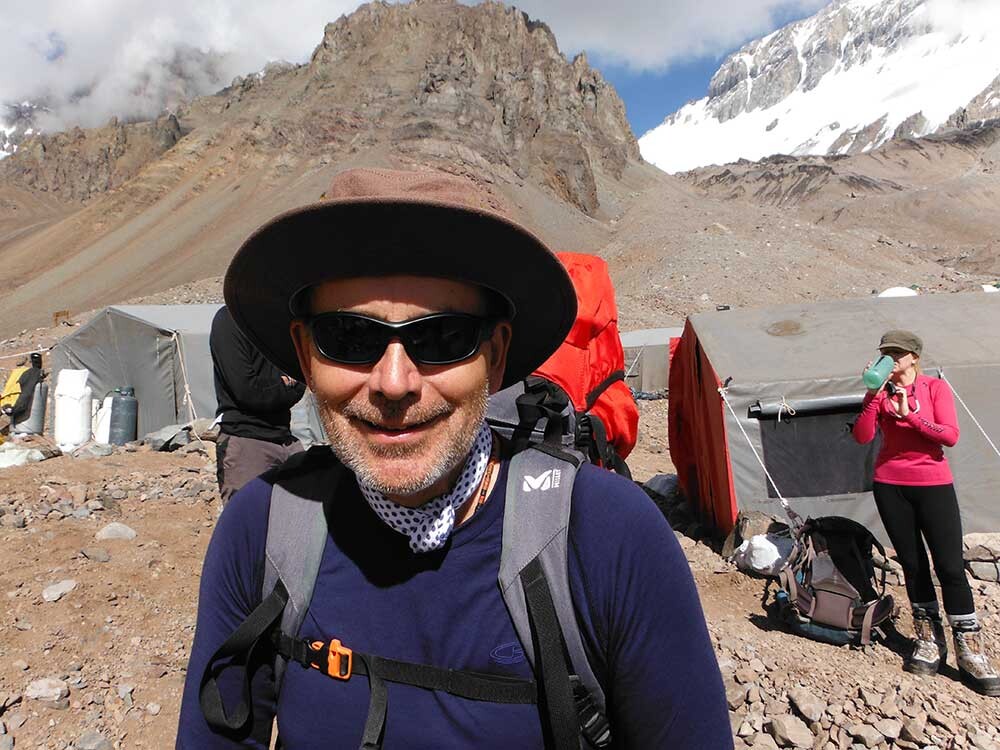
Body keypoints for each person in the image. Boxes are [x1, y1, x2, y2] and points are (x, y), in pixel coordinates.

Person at [177, 168, 731, 748]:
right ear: (304, 354)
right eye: (348, 338)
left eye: (442, 339)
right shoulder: (263, 530)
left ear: (496, 356)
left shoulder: (609, 539)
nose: (394, 383)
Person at [853, 330, 999, 696]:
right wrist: (873, 395)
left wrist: (911, 416)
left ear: (914, 357)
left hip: (934, 484)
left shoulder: (934, 388)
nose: (891, 359)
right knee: (913, 564)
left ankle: (971, 650)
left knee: (949, 567)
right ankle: (929, 639)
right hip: (890, 485)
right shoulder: (880, 392)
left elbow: (949, 436)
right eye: (886, 353)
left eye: (897, 354)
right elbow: (862, 436)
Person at [210, 305, 306, 503]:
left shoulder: (278, 323)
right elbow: (248, 391)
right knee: (249, 517)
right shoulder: (229, 320)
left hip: (284, 439)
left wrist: (287, 384)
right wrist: (285, 385)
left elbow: (301, 377)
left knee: (303, 512)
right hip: (246, 442)